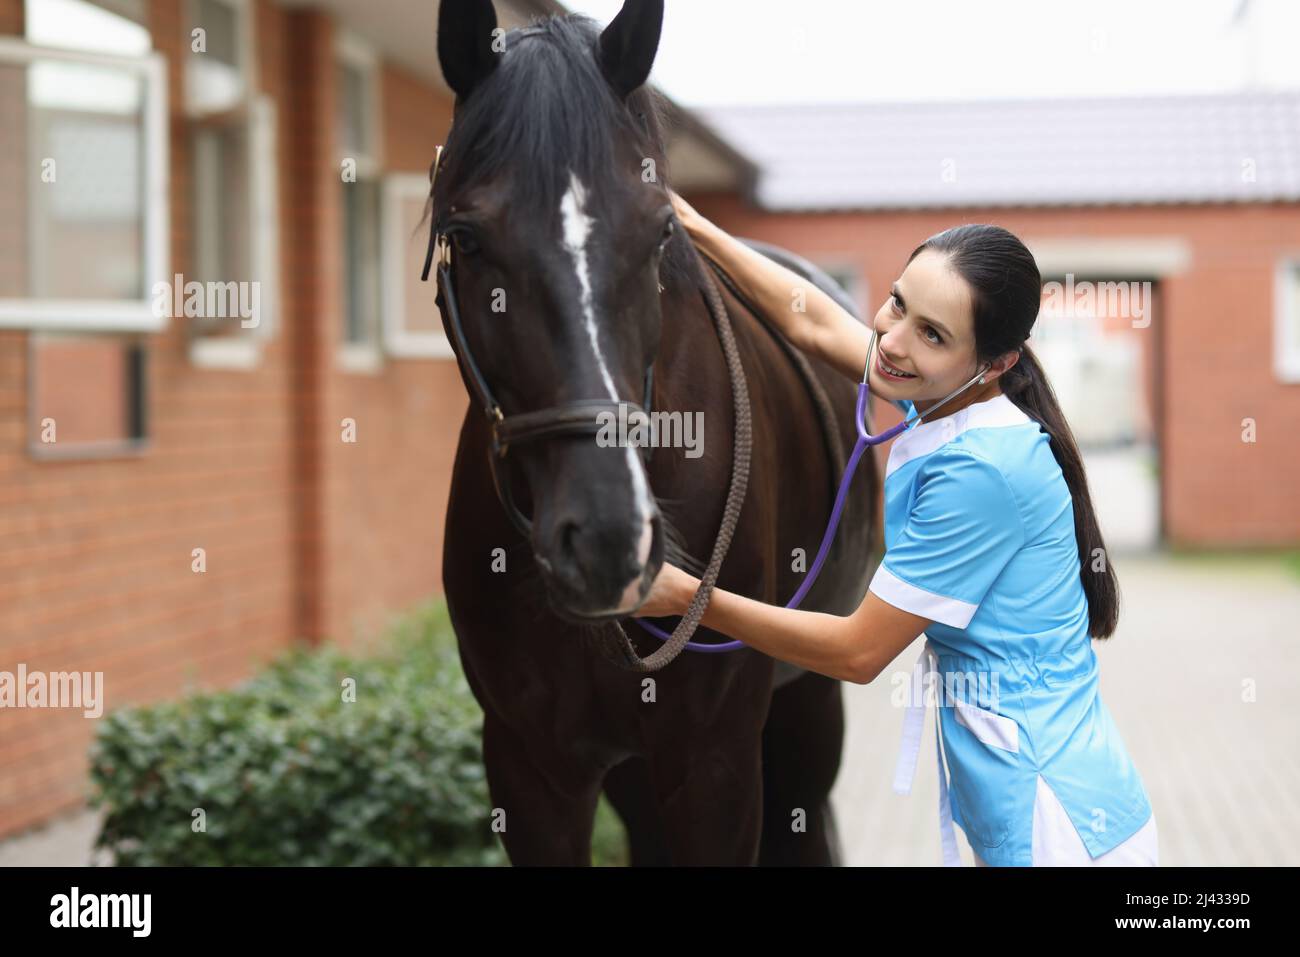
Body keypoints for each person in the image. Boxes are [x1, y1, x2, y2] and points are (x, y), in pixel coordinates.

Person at [636, 192, 1157, 867]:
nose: (892, 340)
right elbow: (819, 325)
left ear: (996, 362)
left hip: (1057, 824)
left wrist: (684, 597)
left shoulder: (982, 471)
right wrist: (698, 228)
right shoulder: (949, 398)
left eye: (933, 334)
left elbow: (858, 651)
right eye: (897, 302)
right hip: (1044, 799)